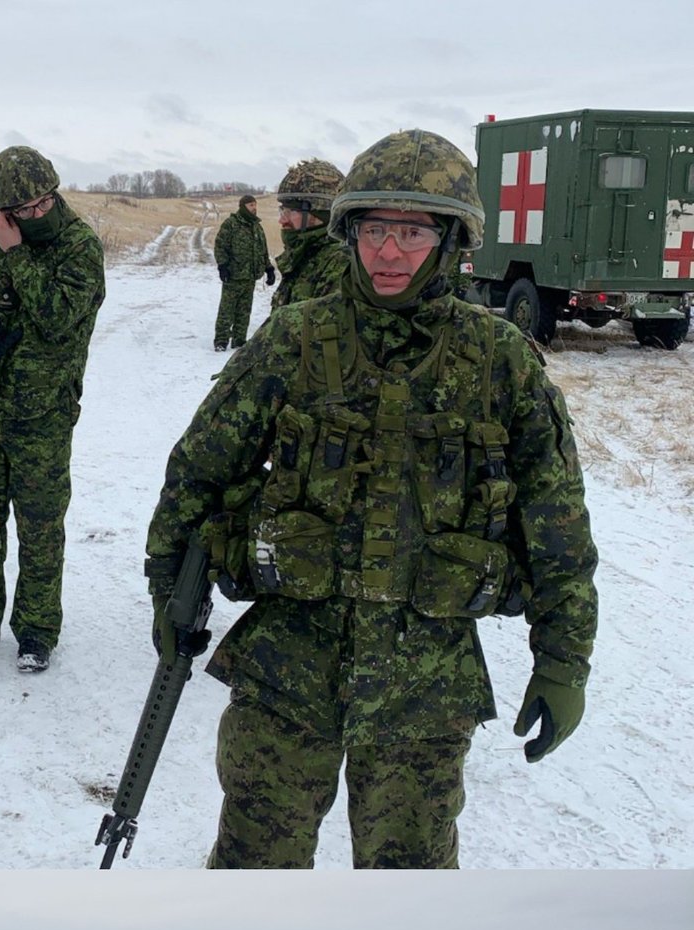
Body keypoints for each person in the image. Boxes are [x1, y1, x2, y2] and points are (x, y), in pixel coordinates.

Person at [145, 128, 598, 869]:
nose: (388, 253)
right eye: (375, 230)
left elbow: (559, 531)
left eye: (413, 232)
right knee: (252, 874)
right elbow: (198, 472)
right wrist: (168, 587)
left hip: (426, 687)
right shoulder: (294, 339)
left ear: (452, 239)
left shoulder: (501, 363)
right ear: (350, 232)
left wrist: (564, 663)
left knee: (407, 900)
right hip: (287, 673)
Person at [0, 145, 104, 673]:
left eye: (40, 205)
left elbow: (58, 316)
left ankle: (35, 630)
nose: (33, 216)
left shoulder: (79, 248)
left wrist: (16, 254)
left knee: (39, 526)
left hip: (43, 413)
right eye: (19, 211)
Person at [270, 160, 350, 310]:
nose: (282, 220)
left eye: (289, 212)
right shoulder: (306, 255)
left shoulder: (341, 266)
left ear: (321, 214)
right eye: (282, 211)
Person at [212, 195, 273, 351]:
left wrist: (269, 268)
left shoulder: (257, 227)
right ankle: (221, 340)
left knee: (244, 310)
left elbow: (263, 250)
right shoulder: (231, 224)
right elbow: (220, 246)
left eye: (255, 204)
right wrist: (223, 266)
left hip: (250, 276)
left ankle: (239, 340)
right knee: (227, 309)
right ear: (243, 206)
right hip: (234, 275)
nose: (254, 207)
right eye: (251, 205)